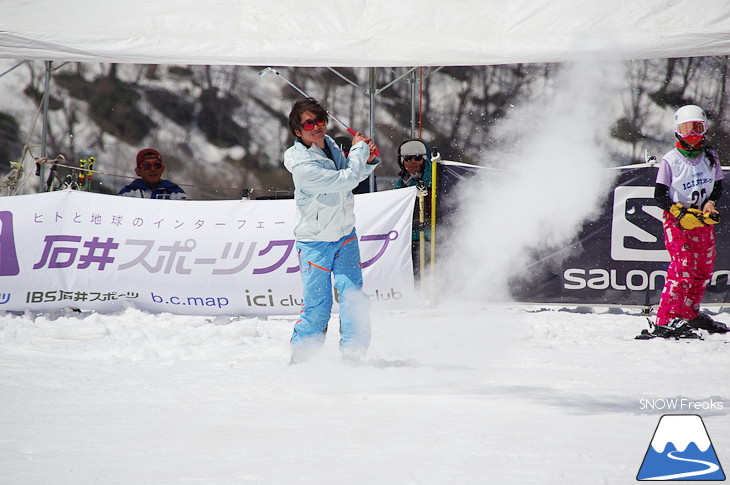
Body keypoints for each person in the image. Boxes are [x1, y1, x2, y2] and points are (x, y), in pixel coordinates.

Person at [283, 98, 380, 363]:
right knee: (318, 307)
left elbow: (352, 176)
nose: (317, 127)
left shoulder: (330, 145)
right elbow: (344, 181)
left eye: (320, 120)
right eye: (309, 123)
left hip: (344, 234)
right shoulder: (302, 166)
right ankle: (302, 358)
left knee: (354, 299)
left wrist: (367, 161)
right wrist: (359, 151)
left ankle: (353, 357)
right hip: (315, 242)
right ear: (297, 131)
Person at [646, 104, 728, 339]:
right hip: (678, 220)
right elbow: (659, 195)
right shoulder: (670, 160)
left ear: (705, 130)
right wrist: (679, 212)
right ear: (677, 131)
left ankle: (689, 313)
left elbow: (717, 187)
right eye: (686, 129)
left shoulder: (711, 156)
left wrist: (710, 204)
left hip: (702, 221)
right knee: (682, 268)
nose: (692, 134)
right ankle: (665, 320)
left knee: (702, 269)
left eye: (697, 128)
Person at [395, 139, 432, 279]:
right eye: (407, 158)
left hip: (430, 239)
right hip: (409, 239)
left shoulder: (435, 177)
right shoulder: (402, 182)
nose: (412, 162)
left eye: (417, 158)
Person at [118, 148, 188, 199]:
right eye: (147, 166)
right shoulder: (128, 194)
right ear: (138, 171)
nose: (153, 169)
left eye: (157, 165)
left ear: (162, 169)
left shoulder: (175, 192)